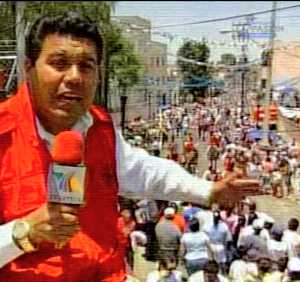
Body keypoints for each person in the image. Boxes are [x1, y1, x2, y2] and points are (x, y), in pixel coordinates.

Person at [0, 11, 259, 282]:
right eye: (59, 63)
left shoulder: (98, 127)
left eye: (87, 66)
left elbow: (146, 171)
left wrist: (209, 190)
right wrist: (24, 231)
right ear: (28, 68)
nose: (75, 77)